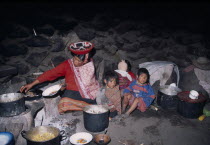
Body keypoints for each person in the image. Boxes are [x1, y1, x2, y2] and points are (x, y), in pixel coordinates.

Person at [20, 42, 100, 114]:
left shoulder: (89, 65)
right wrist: (31, 84)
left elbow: (90, 83)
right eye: (74, 59)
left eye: (78, 61)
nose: (75, 62)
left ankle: (85, 107)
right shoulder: (67, 64)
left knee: (98, 99)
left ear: (85, 61)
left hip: (89, 93)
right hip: (73, 93)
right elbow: (50, 73)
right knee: (64, 102)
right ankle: (87, 108)